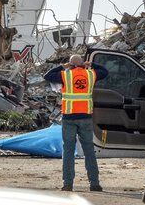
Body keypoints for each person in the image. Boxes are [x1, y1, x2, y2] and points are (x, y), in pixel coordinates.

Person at [44, 54, 109, 192]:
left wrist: (63, 66)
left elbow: (47, 75)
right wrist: (90, 64)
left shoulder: (65, 75)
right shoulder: (91, 74)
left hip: (69, 118)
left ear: (71, 64)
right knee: (89, 151)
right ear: (81, 64)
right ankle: (94, 183)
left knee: (68, 151)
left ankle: (68, 184)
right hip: (85, 117)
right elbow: (105, 71)